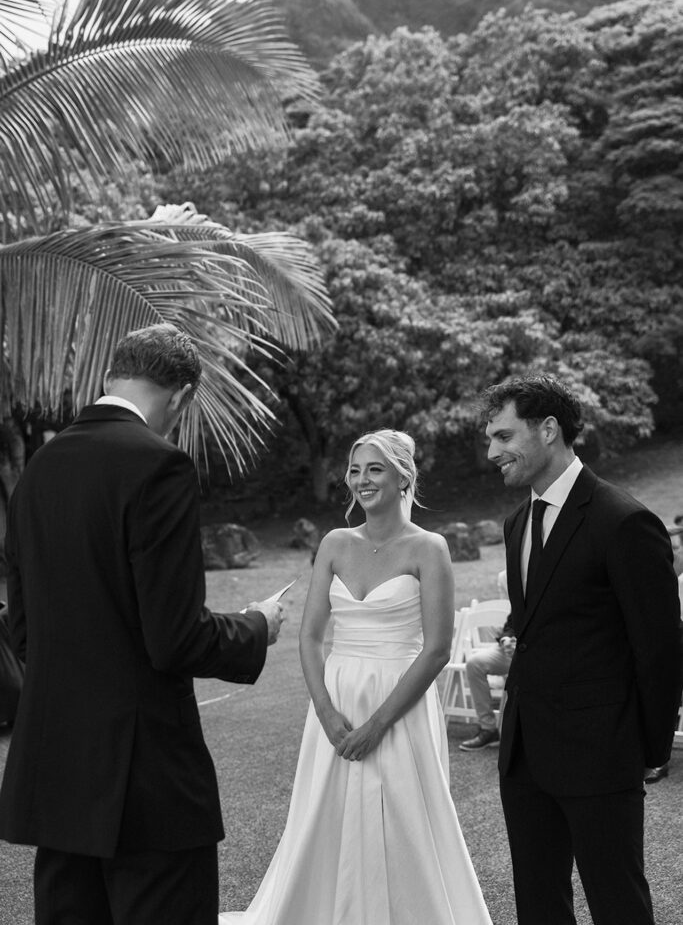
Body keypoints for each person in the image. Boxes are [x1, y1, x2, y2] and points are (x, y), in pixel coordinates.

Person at [0, 324, 283, 925]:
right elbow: (175, 638)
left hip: (59, 774)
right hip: (146, 778)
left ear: (111, 376)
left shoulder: (38, 471)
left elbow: (24, 635)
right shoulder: (158, 466)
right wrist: (256, 626)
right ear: (181, 396)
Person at [220, 428, 492, 924]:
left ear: (403, 477)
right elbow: (309, 638)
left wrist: (378, 724)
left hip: (401, 703)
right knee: (325, 814)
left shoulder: (429, 548)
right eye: (354, 469)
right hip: (337, 703)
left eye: (375, 469)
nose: (362, 479)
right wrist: (326, 711)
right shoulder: (334, 543)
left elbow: (436, 650)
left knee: (405, 820)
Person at [482, 375, 683, 925]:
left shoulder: (623, 519)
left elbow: (660, 646)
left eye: (503, 436)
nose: (492, 452)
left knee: (618, 904)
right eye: (490, 439)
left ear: (548, 429)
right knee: (538, 904)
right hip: (524, 753)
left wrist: (647, 749)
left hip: (602, 754)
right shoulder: (517, 522)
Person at [459, 610, 515, 751]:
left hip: (538, 648)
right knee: (474, 664)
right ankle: (488, 729)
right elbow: (511, 622)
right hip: (508, 647)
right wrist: (506, 639)